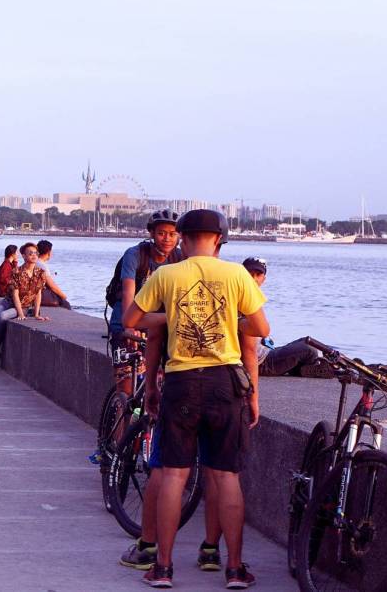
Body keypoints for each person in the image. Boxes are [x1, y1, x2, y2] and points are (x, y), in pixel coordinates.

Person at [124, 209, 268, 590]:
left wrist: (171, 317)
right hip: (225, 384)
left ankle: (164, 568)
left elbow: (132, 321)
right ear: (219, 239)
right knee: (227, 476)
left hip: (182, 382)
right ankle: (234, 570)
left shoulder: (167, 274)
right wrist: (229, 324)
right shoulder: (237, 274)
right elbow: (261, 328)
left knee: (173, 474)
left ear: (183, 239)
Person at [244, 257, 334, 379]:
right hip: (261, 363)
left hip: (266, 352)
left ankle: (316, 366)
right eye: (250, 274)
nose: (254, 279)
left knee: (308, 341)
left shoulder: (252, 297)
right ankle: (315, 368)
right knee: (308, 349)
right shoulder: (243, 300)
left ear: (263, 279)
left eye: (258, 275)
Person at [108, 210, 184, 340]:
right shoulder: (135, 254)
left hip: (158, 309)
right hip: (131, 306)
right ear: (152, 234)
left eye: (172, 234)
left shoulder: (179, 257)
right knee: (123, 341)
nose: (167, 239)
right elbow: (128, 292)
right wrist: (128, 327)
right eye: (161, 233)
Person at [0, 242, 47, 369]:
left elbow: (38, 294)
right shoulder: (16, 271)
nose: (33, 255)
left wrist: (36, 313)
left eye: (35, 253)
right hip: (9, 302)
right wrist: (21, 314)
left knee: (2, 317)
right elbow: (15, 294)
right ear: (23, 256)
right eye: (30, 253)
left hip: (25, 306)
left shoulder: (40, 273)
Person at [33, 240, 72, 309]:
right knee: (65, 304)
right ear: (49, 252)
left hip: (34, 293)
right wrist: (64, 296)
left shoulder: (35, 262)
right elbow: (52, 286)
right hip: (39, 295)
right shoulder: (42, 265)